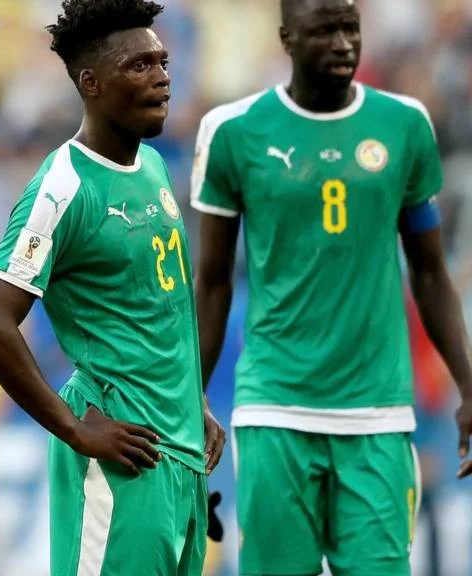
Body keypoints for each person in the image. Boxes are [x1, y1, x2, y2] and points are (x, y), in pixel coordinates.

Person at [191, 0, 472, 574]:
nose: (343, 43)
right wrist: (189, 392)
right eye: (324, 31)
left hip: (378, 413)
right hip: (275, 408)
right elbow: (213, 281)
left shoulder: (404, 124)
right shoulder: (233, 131)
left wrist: (469, 383)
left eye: (350, 28)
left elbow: (429, 271)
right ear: (286, 38)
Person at [0, 1, 225, 574]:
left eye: (163, 62)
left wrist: (196, 402)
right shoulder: (62, 188)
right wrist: (75, 428)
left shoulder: (153, 167)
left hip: (181, 456)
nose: (161, 77)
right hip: (123, 459)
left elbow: (159, 307)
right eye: (139, 65)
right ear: (91, 83)